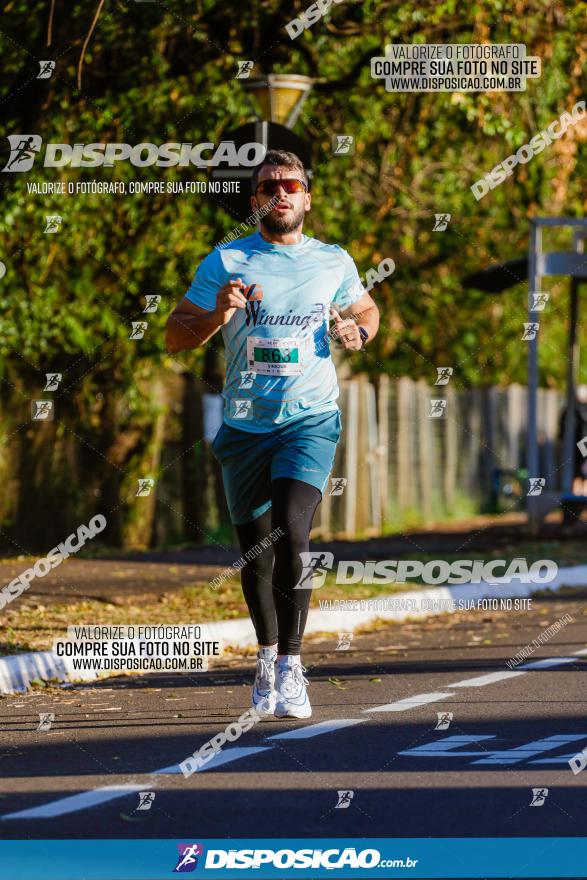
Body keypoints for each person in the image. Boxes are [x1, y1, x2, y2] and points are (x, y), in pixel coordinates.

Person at [165, 149, 379, 719]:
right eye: (266, 188)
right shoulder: (228, 259)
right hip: (244, 426)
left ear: (307, 195)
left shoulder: (333, 260)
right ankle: (265, 659)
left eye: (289, 184)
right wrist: (216, 313)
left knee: (293, 530)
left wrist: (356, 332)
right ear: (254, 200)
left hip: (309, 419)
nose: (278, 194)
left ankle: (292, 663)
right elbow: (175, 337)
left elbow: (367, 311)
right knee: (256, 554)